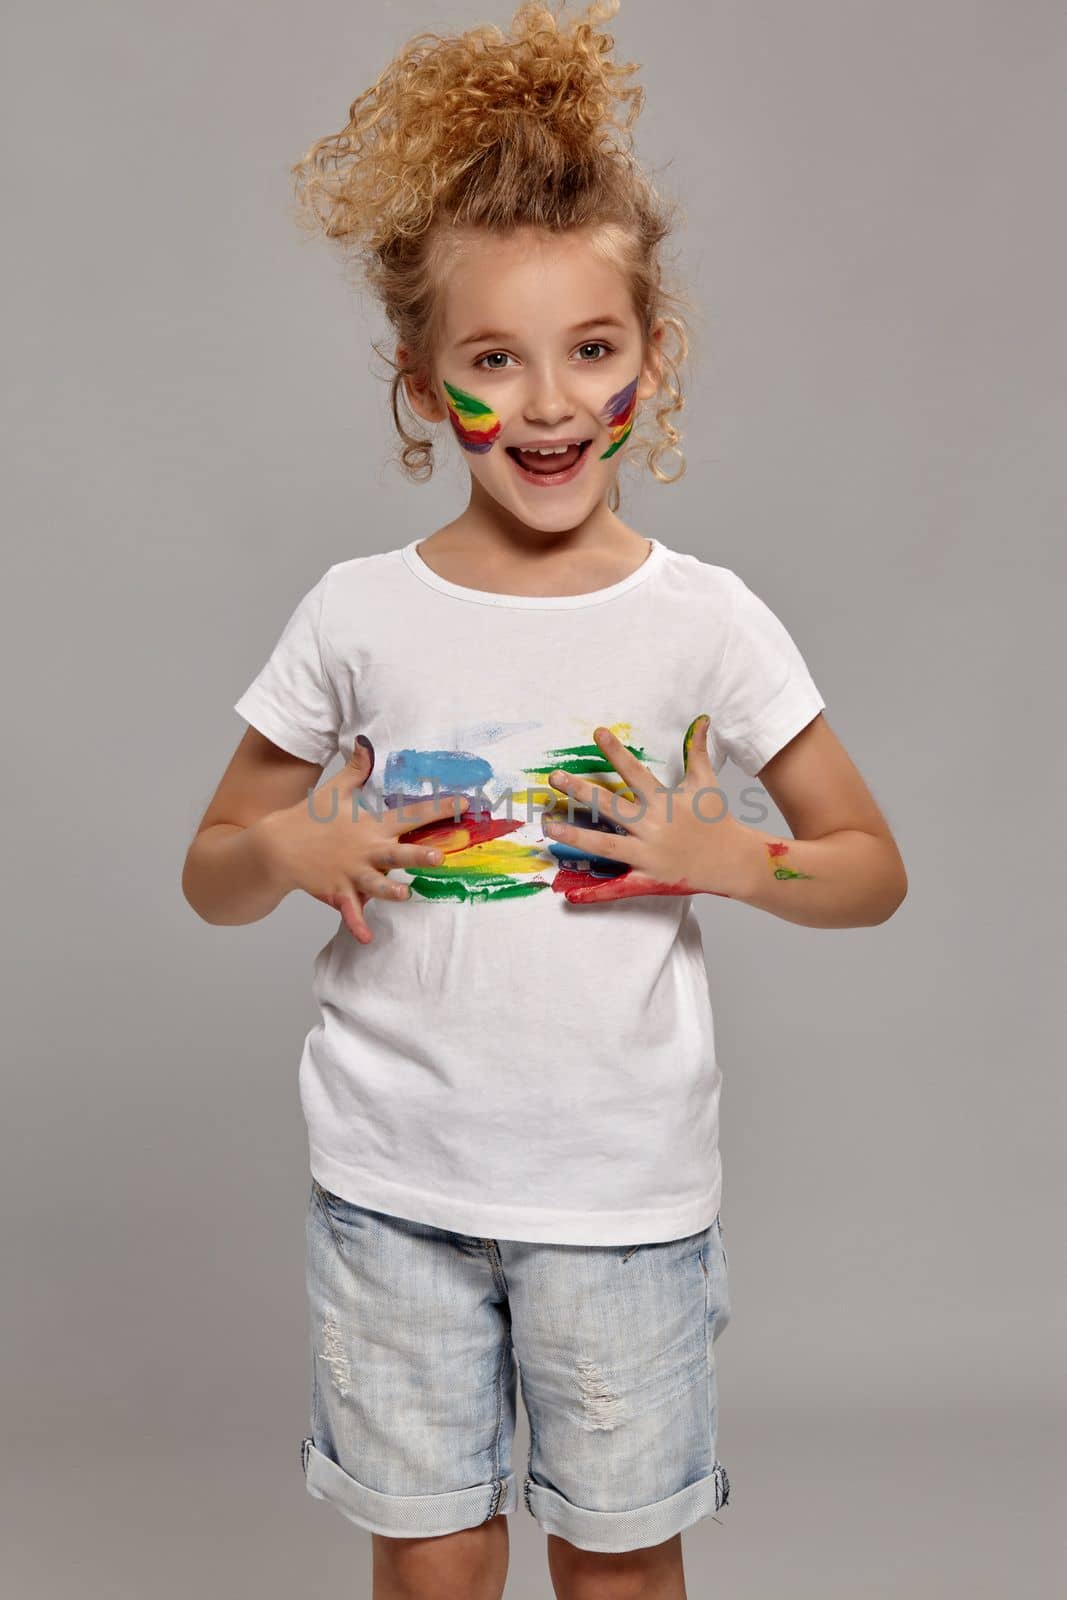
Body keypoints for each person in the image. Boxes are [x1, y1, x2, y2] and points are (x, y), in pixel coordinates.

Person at [181, 2, 907, 1595]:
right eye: (494, 360)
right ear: (422, 380)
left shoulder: (704, 618)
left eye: (594, 349)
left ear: (654, 355)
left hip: (623, 1201)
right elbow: (213, 872)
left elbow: (869, 870)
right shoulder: (356, 613)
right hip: (393, 1189)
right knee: (433, 1559)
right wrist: (294, 846)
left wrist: (730, 859)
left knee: (618, 1565)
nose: (553, 404)